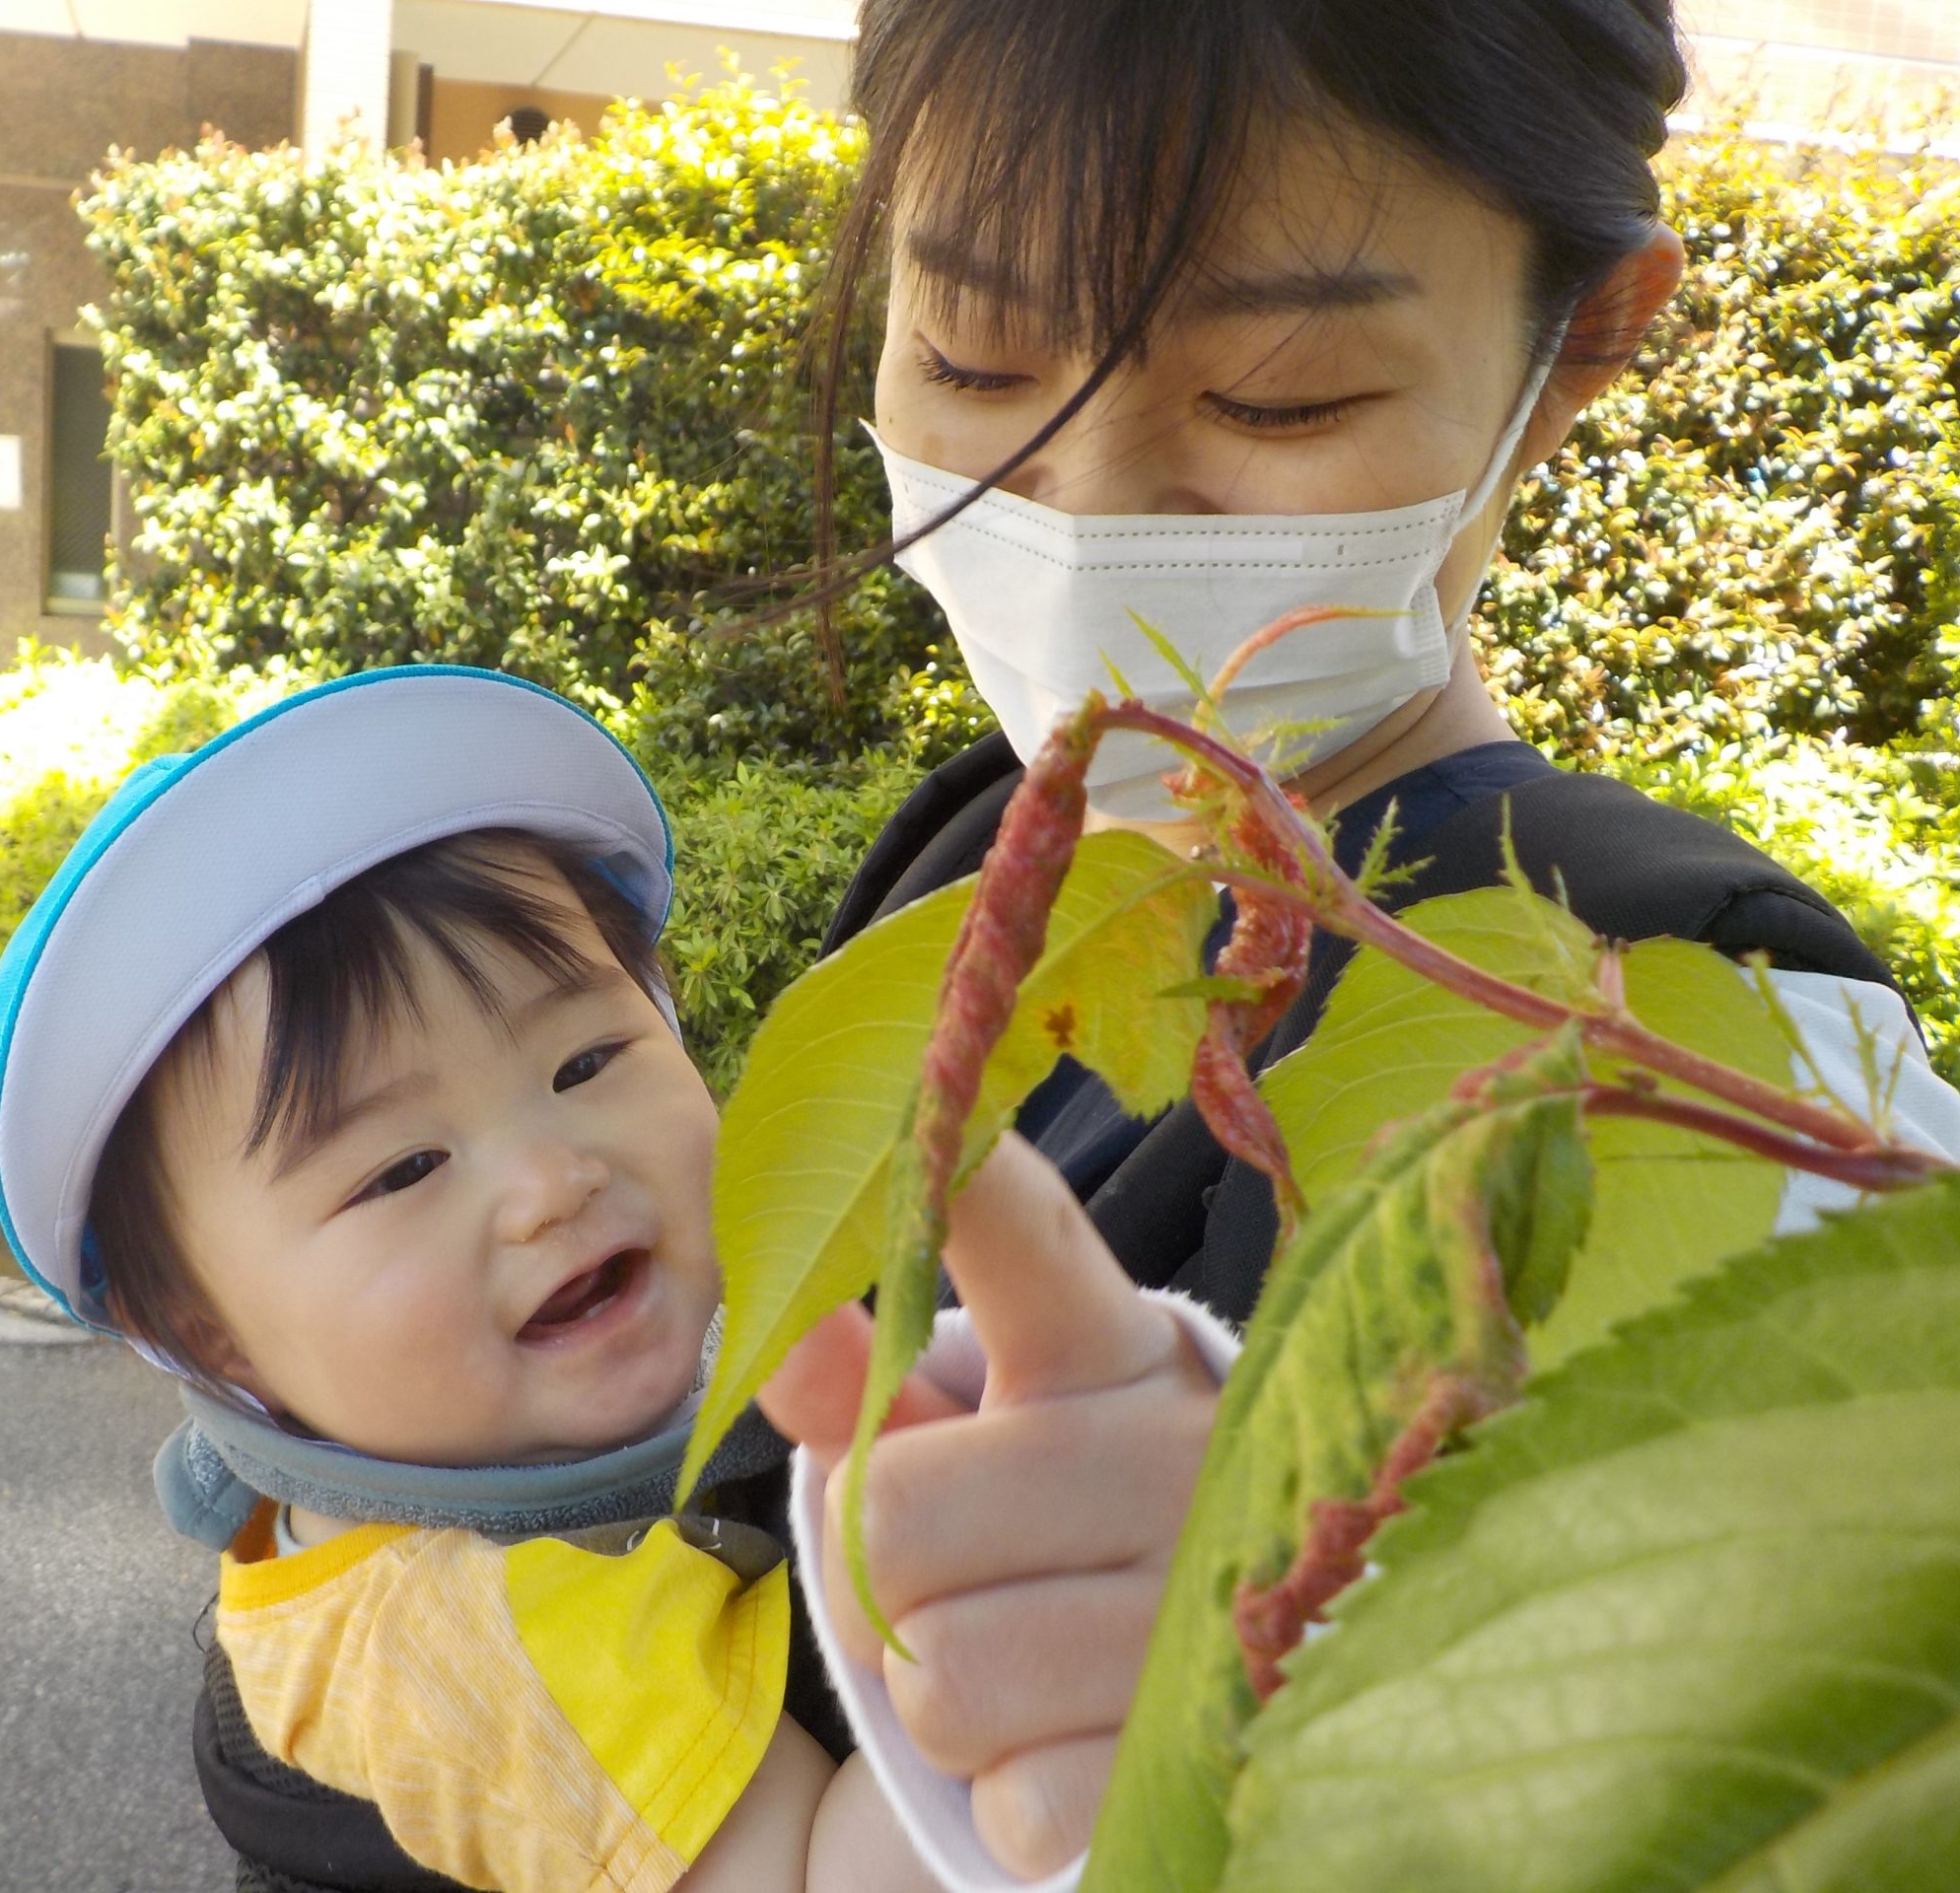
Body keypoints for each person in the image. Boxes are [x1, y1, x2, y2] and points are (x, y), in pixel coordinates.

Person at [755, 2, 1960, 1888]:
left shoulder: (1729, 1052)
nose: (1088, 515)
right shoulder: (974, 854)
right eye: (973, 360)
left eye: (1280, 397)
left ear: (1587, 346)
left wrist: (1379, 1688)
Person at [0, 666, 1232, 1893]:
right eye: (403, 1167)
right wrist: (1098, 1661)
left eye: (585, 1065)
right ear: (213, 1338)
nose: (552, 1182)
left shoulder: (521, 1420)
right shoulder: (464, 1652)